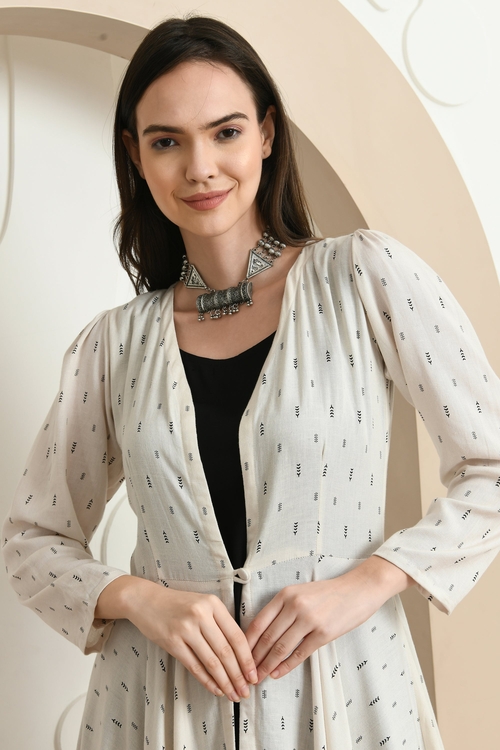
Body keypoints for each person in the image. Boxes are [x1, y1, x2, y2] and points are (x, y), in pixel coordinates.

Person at [3, 15, 500, 750]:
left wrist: (370, 581)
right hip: (156, 708)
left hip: (349, 694)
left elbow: (491, 467)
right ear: (135, 155)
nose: (200, 167)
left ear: (266, 133)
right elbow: (32, 538)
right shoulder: (114, 345)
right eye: (167, 141)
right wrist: (139, 599)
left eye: (226, 132)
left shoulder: (363, 277)